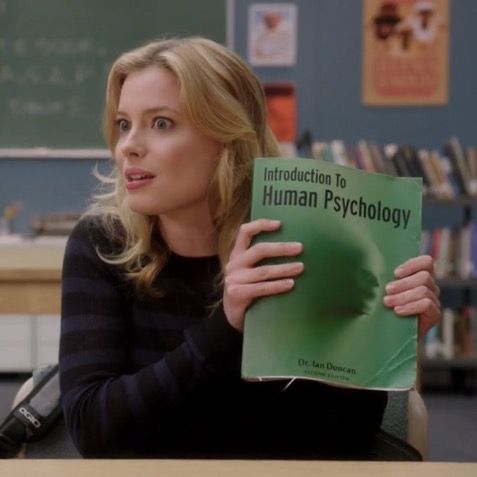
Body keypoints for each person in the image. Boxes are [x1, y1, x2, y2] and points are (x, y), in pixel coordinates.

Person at [59, 37, 441, 459]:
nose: (127, 146)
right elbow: (93, 432)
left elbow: (337, 449)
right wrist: (225, 327)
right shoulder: (101, 244)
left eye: (161, 123)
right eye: (124, 123)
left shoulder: (293, 249)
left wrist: (372, 344)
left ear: (226, 138)